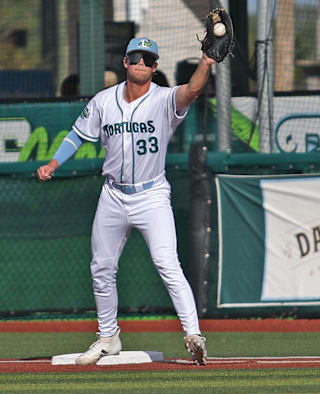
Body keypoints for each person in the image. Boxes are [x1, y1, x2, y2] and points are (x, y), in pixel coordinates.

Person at [36, 37, 214, 366]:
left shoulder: (163, 99)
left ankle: (193, 334)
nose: (142, 64)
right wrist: (54, 163)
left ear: (155, 66)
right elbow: (77, 134)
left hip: (151, 195)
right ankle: (108, 337)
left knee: (167, 263)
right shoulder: (104, 101)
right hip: (114, 194)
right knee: (101, 267)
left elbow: (191, 91)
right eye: (136, 58)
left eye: (148, 59)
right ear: (126, 63)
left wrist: (205, 63)